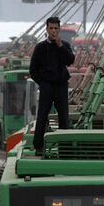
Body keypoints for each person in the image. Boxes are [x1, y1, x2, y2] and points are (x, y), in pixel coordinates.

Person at [30, 17, 75, 156]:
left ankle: (65, 148)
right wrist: (43, 84)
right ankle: (38, 146)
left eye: (56, 28)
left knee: (64, 117)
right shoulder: (40, 47)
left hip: (61, 85)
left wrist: (60, 46)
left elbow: (70, 60)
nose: (54, 31)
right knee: (42, 115)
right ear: (47, 29)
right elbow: (33, 71)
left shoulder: (64, 45)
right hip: (47, 86)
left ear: (59, 29)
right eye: (51, 28)